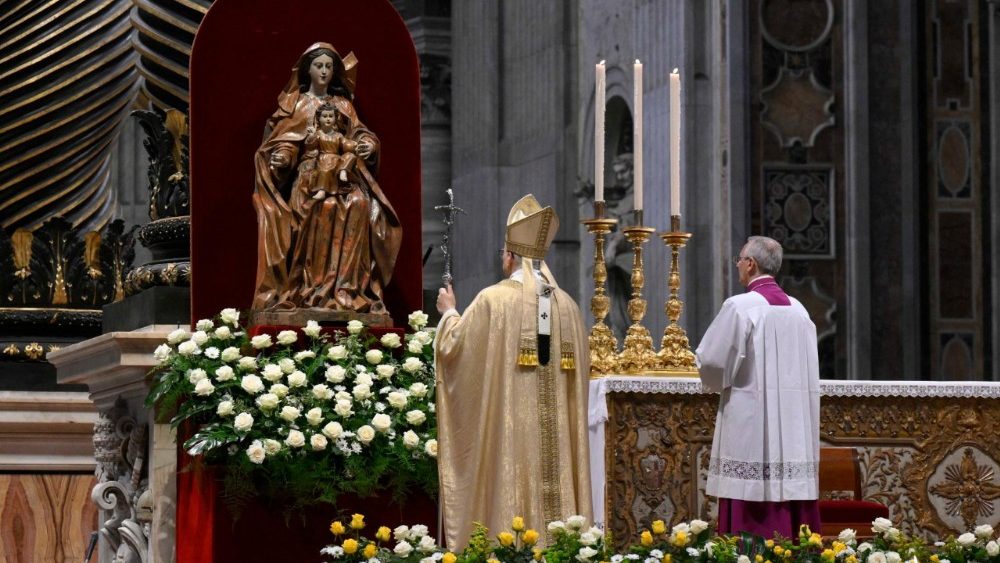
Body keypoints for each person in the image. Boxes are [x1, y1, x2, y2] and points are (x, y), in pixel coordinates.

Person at [434, 195, 592, 549]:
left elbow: (453, 348)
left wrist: (448, 312)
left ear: (509, 256)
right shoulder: (568, 306)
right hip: (558, 435)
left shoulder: (494, 300)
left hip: (513, 431)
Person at [252, 42, 401, 313]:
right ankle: (309, 290)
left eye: (329, 67)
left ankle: (345, 289)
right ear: (308, 69)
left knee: (360, 204)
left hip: (343, 178)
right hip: (310, 178)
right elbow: (284, 141)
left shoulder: (343, 104)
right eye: (318, 66)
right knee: (321, 208)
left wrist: (368, 143)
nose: (323, 71)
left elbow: (357, 134)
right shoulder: (296, 104)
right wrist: (283, 157)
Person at [695, 235, 821, 539]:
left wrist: (710, 378)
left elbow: (713, 362)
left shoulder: (740, 307)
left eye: (739, 259)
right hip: (793, 426)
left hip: (750, 422)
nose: (738, 265)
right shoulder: (799, 310)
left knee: (749, 484)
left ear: (751, 264)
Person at [302, 102, 359, 201]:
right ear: (319, 118)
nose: (328, 118)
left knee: (350, 155)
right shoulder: (318, 134)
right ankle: (322, 191)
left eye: (331, 116)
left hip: (337, 160)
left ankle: (343, 171)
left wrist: (354, 145)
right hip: (324, 160)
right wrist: (311, 136)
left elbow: (346, 145)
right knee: (325, 171)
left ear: (335, 119)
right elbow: (311, 146)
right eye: (325, 116)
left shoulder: (338, 135)